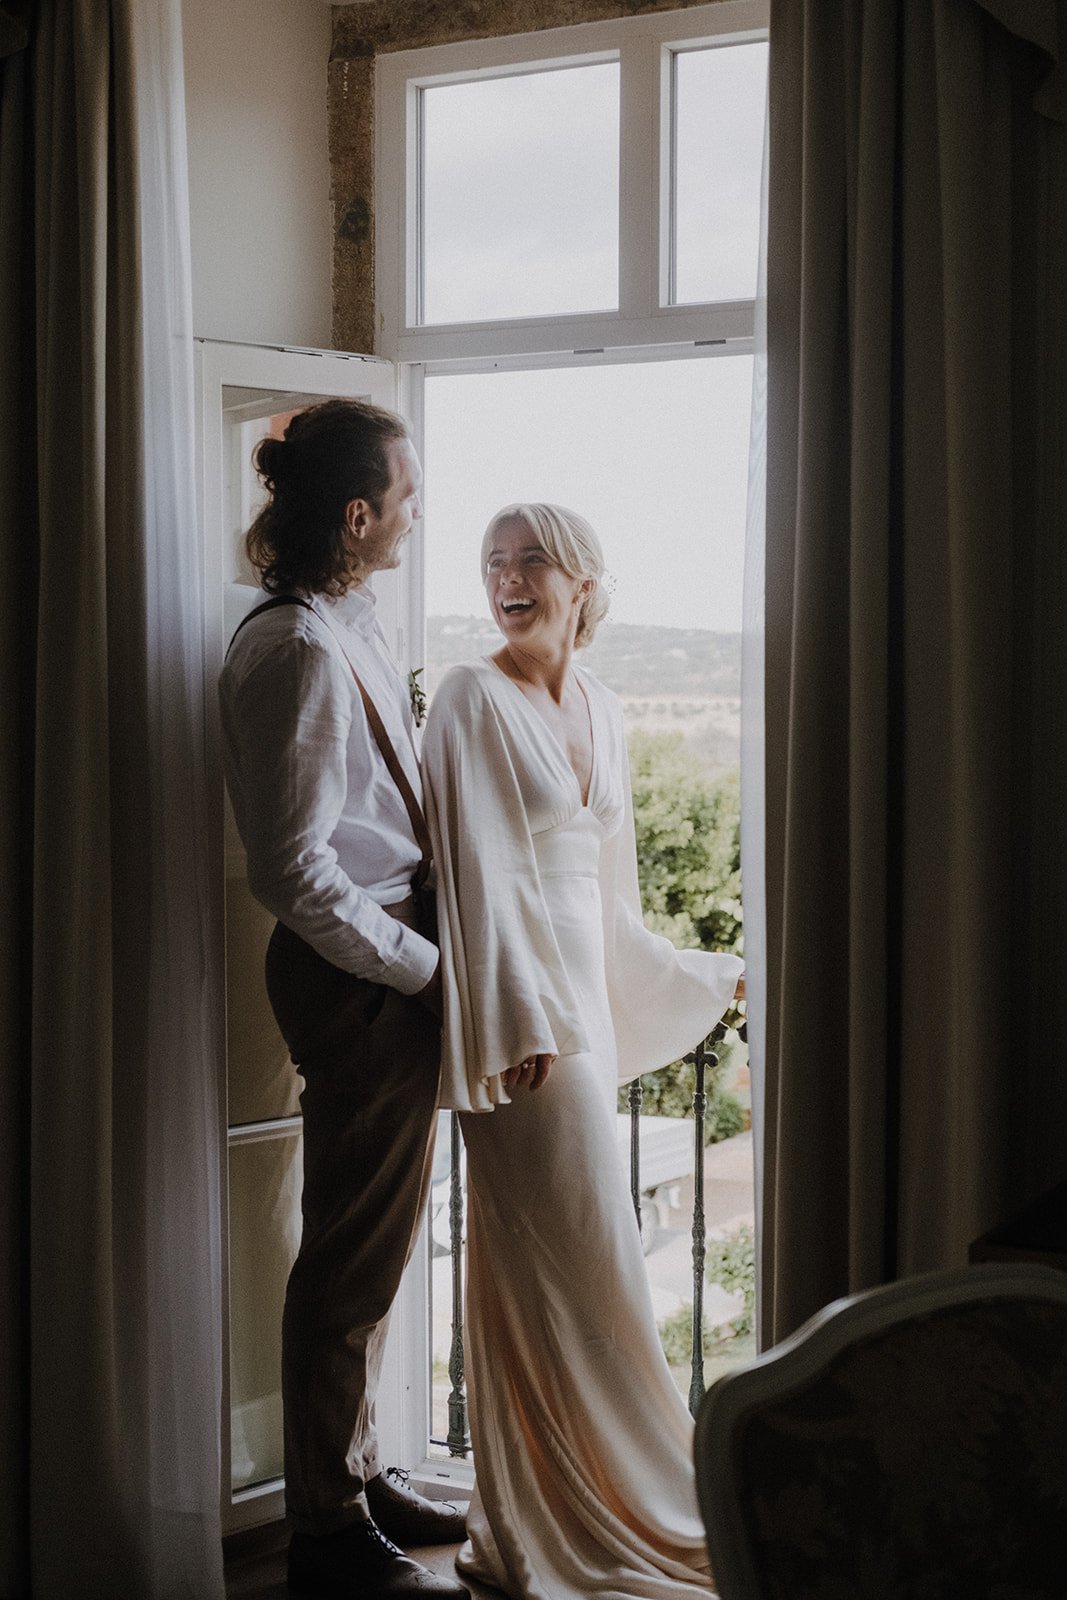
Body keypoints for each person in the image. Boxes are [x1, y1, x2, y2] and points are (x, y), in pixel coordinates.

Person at [421, 503, 745, 1600]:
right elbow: (475, 881)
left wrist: (707, 974)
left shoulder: (603, 706)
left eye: (529, 561)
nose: (506, 579)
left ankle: (595, 1496)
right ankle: (562, 1514)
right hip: (523, 1029)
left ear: (582, 580)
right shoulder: (468, 697)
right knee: (570, 1258)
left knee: (589, 1256)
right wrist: (512, 1028)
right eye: (491, 563)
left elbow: (610, 907)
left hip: (587, 1017)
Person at [218, 398, 469, 1600]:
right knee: (345, 1264)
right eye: (406, 496)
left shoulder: (352, 623)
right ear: (359, 513)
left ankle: (356, 1471)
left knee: (375, 1251)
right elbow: (295, 869)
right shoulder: (297, 651)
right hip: (357, 981)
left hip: (383, 968)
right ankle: (321, 1528)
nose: (418, 514)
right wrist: (426, 973)